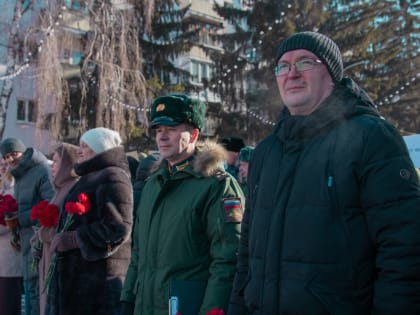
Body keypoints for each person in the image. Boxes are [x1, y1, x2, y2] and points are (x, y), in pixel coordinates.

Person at [228, 31, 420, 315]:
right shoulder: (266, 152)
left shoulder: (371, 137)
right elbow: (247, 252)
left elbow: (404, 250)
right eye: (283, 66)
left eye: (304, 62)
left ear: (331, 73)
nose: (291, 74)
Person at [120, 94, 244, 315]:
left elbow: (227, 260)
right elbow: (138, 252)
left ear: (194, 134)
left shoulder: (216, 186)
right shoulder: (153, 184)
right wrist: (128, 298)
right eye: (158, 131)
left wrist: (212, 312)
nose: (162, 137)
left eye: (171, 129)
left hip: (186, 307)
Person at [48, 127, 133, 315]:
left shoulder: (112, 176)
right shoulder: (88, 177)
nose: (79, 150)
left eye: (85, 146)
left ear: (99, 148)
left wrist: (74, 239)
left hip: (97, 286)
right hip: (80, 282)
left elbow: (117, 227)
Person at [0, 138, 55, 315]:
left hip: (38, 240)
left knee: (37, 294)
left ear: (23, 152)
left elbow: (50, 205)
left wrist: (19, 219)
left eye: (13, 154)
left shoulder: (41, 171)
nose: (10, 160)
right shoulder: (20, 174)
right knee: (30, 293)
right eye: (6, 156)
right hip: (24, 241)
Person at [31, 143, 79, 315]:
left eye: (57, 161)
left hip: (59, 260)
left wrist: (44, 232)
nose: (52, 165)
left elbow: (67, 226)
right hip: (48, 256)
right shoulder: (59, 189)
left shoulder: (72, 189)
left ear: (67, 164)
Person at [0, 157, 22, 315]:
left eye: (5, 164)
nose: (2, 167)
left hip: (9, 253)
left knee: (8, 302)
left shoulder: (15, 189)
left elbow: (12, 220)